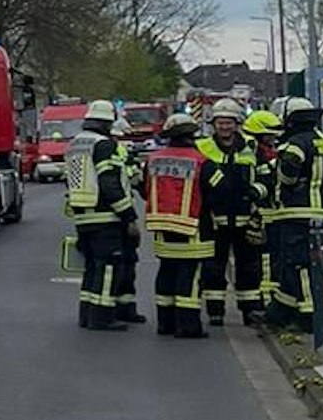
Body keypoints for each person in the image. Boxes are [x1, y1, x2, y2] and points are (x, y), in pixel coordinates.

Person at [265, 97, 323, 334]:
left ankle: (308, 315)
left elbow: (288, 176)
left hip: (296, 214)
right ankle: (280, 313)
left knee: (299, 265)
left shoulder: (294, 144)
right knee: (305, 263)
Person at [65, 101, 138, 330]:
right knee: (108, 267)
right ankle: (102, 317)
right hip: (105, 216)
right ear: (108, 122)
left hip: (83, 216)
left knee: (92, 268)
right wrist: (129, 216)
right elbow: (109, 184)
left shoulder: (76, 144)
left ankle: (87, 315)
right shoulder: (103, 145)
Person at [142, 113, 213, 338]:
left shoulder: (153, 160)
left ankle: (165, 323)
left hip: (162, 227)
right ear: (191, 135)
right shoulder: (201, 161)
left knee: (166, 272)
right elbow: (218, 191)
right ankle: (189, 326)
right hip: (193, 226)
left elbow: (144, 189)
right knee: (189, 276)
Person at [197, 98, 263, 325]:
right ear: (213, 124)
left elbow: (266, 176)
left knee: (250, 267)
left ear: (237, 124)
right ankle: (215, 310)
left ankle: (251, 310)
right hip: (214, 220)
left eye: (229, 122)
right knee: (213, 267)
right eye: (220, 123)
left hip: (247, 218)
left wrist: (257, 192)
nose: (224, 127)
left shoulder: (251, 148)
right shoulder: (202, 147)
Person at [246, 109, 283, 323]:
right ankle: (266, 304)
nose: (274, 138)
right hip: (262, 215)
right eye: (270, 134)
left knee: (268, 262)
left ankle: (267, 303)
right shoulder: (255, 151)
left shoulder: (264, 150)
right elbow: (263, 181)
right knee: (265, 263)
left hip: (270, 214)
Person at [111, 117, 147, 323]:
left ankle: (125, 308)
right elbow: (134, 182)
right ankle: (120, 309)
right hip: (117, 217)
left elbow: (134, 180)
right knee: (122, 264)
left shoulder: (119, 153)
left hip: (117, 216)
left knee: (126, 264)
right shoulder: (115, 153)